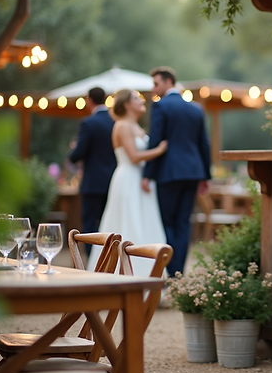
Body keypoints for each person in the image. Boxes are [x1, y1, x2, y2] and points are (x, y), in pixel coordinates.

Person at [87, 89, 168, 276]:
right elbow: (133, 156)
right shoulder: (122, 125)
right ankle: (126, 274)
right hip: (128, 179)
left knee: (144, 224)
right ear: (126, 104)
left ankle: (148, 274)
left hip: (140, 181)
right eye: (136, 98)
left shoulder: (137, 126)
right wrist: (160, 150)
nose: (141, 101)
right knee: (128, 224)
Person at [143, 66, 211, 276]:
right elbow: (204, 145)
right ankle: (178, 272)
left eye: (156, 83)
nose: (154, 88)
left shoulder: (160, 106)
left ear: (168, 82)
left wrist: (147, 174)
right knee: (184, 222)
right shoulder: (196, 108)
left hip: (168, 172)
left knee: (168, 222)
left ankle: (171, 272)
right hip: (193, 172)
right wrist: (206, 176)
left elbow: (156, 141)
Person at [68, 87, 117, 251]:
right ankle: (107, 258)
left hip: (92, 182)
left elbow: (79, 153)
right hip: (113, 182)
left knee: (90, 225)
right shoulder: (115, 122)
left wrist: (73, 152)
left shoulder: (88, 122)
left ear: (89, 100)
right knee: (108, 223)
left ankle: (92, 262)